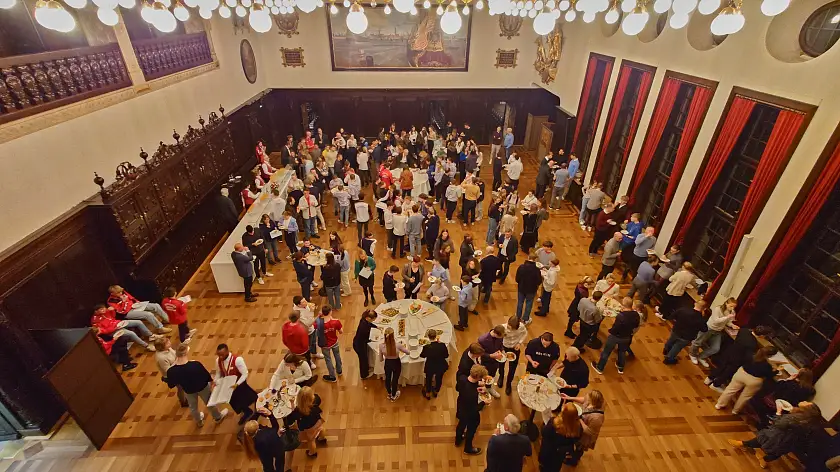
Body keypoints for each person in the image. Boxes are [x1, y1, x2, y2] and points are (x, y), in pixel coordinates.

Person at [729, 402, 824, 469]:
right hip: (790, 441)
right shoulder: (811, 422)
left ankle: (742, 444)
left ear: (806, 410)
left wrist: (778, 412)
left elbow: (779, 424)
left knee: (762, 439)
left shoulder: (796, 418)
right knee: (777, 452)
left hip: (778, 435)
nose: (804, 401)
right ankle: (763, 458)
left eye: (807, 403)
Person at [166, 344, 229, 427]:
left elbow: (171, 384)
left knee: (193, 407)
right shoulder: (195, 364)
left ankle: (199, 421)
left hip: (188, 390)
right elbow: (206, 376)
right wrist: (212, 382)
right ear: (185, 353)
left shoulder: (171, 370)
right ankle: (217, 417)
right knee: (210, 402)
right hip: (202, 387)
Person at [706, 325, 774, 391]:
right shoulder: (752, 343)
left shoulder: (743, 331)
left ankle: (709, 378)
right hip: (737, 360)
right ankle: (715, 385)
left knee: (721, 367)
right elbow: (748, 356)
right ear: (762, 336)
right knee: (727, 372)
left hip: (730, 352)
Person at [715, 346, 779, 414]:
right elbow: (769, 375)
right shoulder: (767, 366)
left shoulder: (750, 355)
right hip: (754, 380)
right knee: (745, 396)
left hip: (741, 373)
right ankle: (735, 411)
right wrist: (777, 370)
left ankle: (719, 404)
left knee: (730, 390)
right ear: (771, 356)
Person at [592, 298, 639, 375]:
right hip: (626, 336)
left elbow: (616, 327)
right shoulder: (636, 314)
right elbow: (636, 325)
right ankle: (620, 367)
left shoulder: (621, 316)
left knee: (606, 352)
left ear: (624, 305)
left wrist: (610, 331)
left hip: (615, 336)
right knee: (622, 351)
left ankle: (600, 368)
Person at [214, 343, 257, 425]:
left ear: (227, 351)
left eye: (222, 355)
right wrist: (216, 381)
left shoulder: (237, 360)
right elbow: (218, 373)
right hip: (228, 386)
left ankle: (256, 405)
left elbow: (245, 373)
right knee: (234, 402)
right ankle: (247, 411)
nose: (220, 357)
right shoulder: (218, 361)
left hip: (239, 384)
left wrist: (237, 384)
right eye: (219, 355)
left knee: (244, 398)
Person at [690, 297, 738, 367]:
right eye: (731, 306)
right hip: (709, 328)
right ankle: (692, 354)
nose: (732, 308)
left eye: (734, 307)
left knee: (715, 348)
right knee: (698, 342)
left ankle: (701, 357)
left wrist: (732, 325)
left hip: (718, 331)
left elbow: (728, 322)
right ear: (726, 303)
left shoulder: (732, 312)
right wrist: (727, 317)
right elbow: (716, 320)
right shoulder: (718, 309)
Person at [562, 390, 606, 466]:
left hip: (584, 437)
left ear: (593, 401)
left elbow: (590, 432)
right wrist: (569, 398)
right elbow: (583, 399)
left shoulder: (597, 418)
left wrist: (579, 419)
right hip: (578, 429)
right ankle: (570, 452)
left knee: (579, 449)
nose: (586, 397)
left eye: (588, 398)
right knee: (571, 442)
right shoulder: (592, 402)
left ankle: (574, 460)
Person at [455, 364, 489, 456]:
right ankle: (468, 448)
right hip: (470, 413)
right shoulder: (472, 393)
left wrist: (477, 385)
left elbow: (458, 388)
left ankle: (458, 440)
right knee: (471, 430)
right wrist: (484, 402)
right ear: (477, 377)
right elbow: (475, 409)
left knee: (461, 425)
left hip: (461, 407)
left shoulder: (462, 378)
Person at [284, 387, 327, 458]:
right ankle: (322, 438)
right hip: (318, 422)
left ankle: (312, 452)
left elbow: (293, 415)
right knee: (320, 429)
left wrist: (292, 403)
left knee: (311, 441)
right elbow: (320, 412)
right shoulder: (314, 405)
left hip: (309, 428)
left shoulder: (299, 411)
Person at [106, 285, 171, 331]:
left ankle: (167, 319)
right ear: (112, 293)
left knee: (156, 305)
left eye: (121, 291)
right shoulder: (111, 301)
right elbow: (121, 311)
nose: (121, 293)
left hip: (134, 306)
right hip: (127, 313)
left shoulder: (122, 292)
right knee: (148, 314)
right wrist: (124, 302)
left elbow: (131, 298)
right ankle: (160, 328)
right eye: (118, 293)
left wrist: (137, 302)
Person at [663, 300, 709, 365]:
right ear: (704, 309)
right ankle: (668, 359)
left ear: (695, 303)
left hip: (676, 330)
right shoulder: (701, 319)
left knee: (671, 340)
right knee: (677, 347)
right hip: (687, 337)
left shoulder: (683, 310)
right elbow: (704, 329)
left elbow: (672, 316)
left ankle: (666, 349)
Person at [539, 403, 582, 472]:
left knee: (545, 466)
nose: (563, 405)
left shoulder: (554, 424)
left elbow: (544, 432)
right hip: (559, 454)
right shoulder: (578, 427)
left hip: (549, 451)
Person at [497, 315, 527, 395]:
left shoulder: (521, 327)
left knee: (513, 367)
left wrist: (519, 343)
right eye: (509, 326)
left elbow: (525, 334)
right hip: (504, 347)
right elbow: (498, 338)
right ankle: (501, 376)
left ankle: (508, 384)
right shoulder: (503, 327)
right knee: (501, 364)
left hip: (515, 348)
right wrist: (501, 349)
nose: (510, 329)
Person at [154, 338, 188, 406]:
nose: (170, 342)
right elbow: (168, 370)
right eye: (167, 343)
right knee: (180, 388)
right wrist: (178, 361)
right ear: (162, 347)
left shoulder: (168, 349)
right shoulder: (161, 358)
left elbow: (175, 354)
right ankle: (183, 401)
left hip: (177, 369)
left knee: (183, 386)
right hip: (172, 375)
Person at [315, 305, 343, 383]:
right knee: (337, 356)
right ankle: (339, 371)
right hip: (334, 342)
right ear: (330, 312)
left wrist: (318, 316)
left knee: (328, 360)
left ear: (322, 313)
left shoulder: (319, 322)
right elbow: (341, 331)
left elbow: (312, 326)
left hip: (325, 345)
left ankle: (332, 376)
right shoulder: (336, 321)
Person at [380, 327, 409, 401]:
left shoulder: (381, 346)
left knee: (388, 378)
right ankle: (394, 395)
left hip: (387, 363)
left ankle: (389, 393)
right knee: (395, 379)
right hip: (396, 363)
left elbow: (380, 359)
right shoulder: (398, 345)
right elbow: (408, 352)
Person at [477, 326, 506, 398]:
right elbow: (480, 353)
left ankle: (489, 388)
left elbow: (501, 345)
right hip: (486, 363)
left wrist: (502, 351)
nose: (501, 338)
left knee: (492, 376)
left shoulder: (500, 337)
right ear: (496, 334)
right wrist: (491, 356)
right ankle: (480, 392)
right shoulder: (482, 340)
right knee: (483, 377)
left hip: (495, 362)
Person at [420, 328, 449, 399]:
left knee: (428, 379)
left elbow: (422, 355)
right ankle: (436, 391)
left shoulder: (426, 347)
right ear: (436, 336)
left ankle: (428, 393)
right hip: (440, 365)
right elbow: (446, 355)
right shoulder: (442, 345)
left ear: (428, 337)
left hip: (430, 366)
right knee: (439, 379)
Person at [513, 252, 541, 324]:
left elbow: (517, 279)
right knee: (529, 303)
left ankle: (517, 317)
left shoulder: (521, 267)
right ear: (535, 260)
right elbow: (539, 281)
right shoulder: (536, 270)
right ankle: (525, 319)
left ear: (528, 257)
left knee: (520, 302)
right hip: (531, 290)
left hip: (522, 288)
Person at [352, 309, 377, 380]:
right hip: (360, 345)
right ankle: (364, 375)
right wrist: (373, 340)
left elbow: (370, 324)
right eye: (373, 320)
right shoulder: (364, 328)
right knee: (363, 360)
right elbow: (366, 338)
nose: (373, 321)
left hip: (360, 342)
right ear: (368, 318)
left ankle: (367, 369)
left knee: (365, 358)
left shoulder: (364, 320)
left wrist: (376, 327)